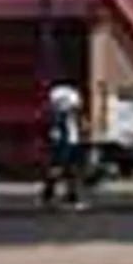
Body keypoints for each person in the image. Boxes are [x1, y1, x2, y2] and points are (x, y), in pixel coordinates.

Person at [40, 81, 88, 211]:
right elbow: (75, 112)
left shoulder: (56, 94)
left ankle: (65, 196)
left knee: (67, 168)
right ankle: (51, 195)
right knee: (62, 167)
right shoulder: (70, 95)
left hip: (66, 137)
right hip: (66, 138)